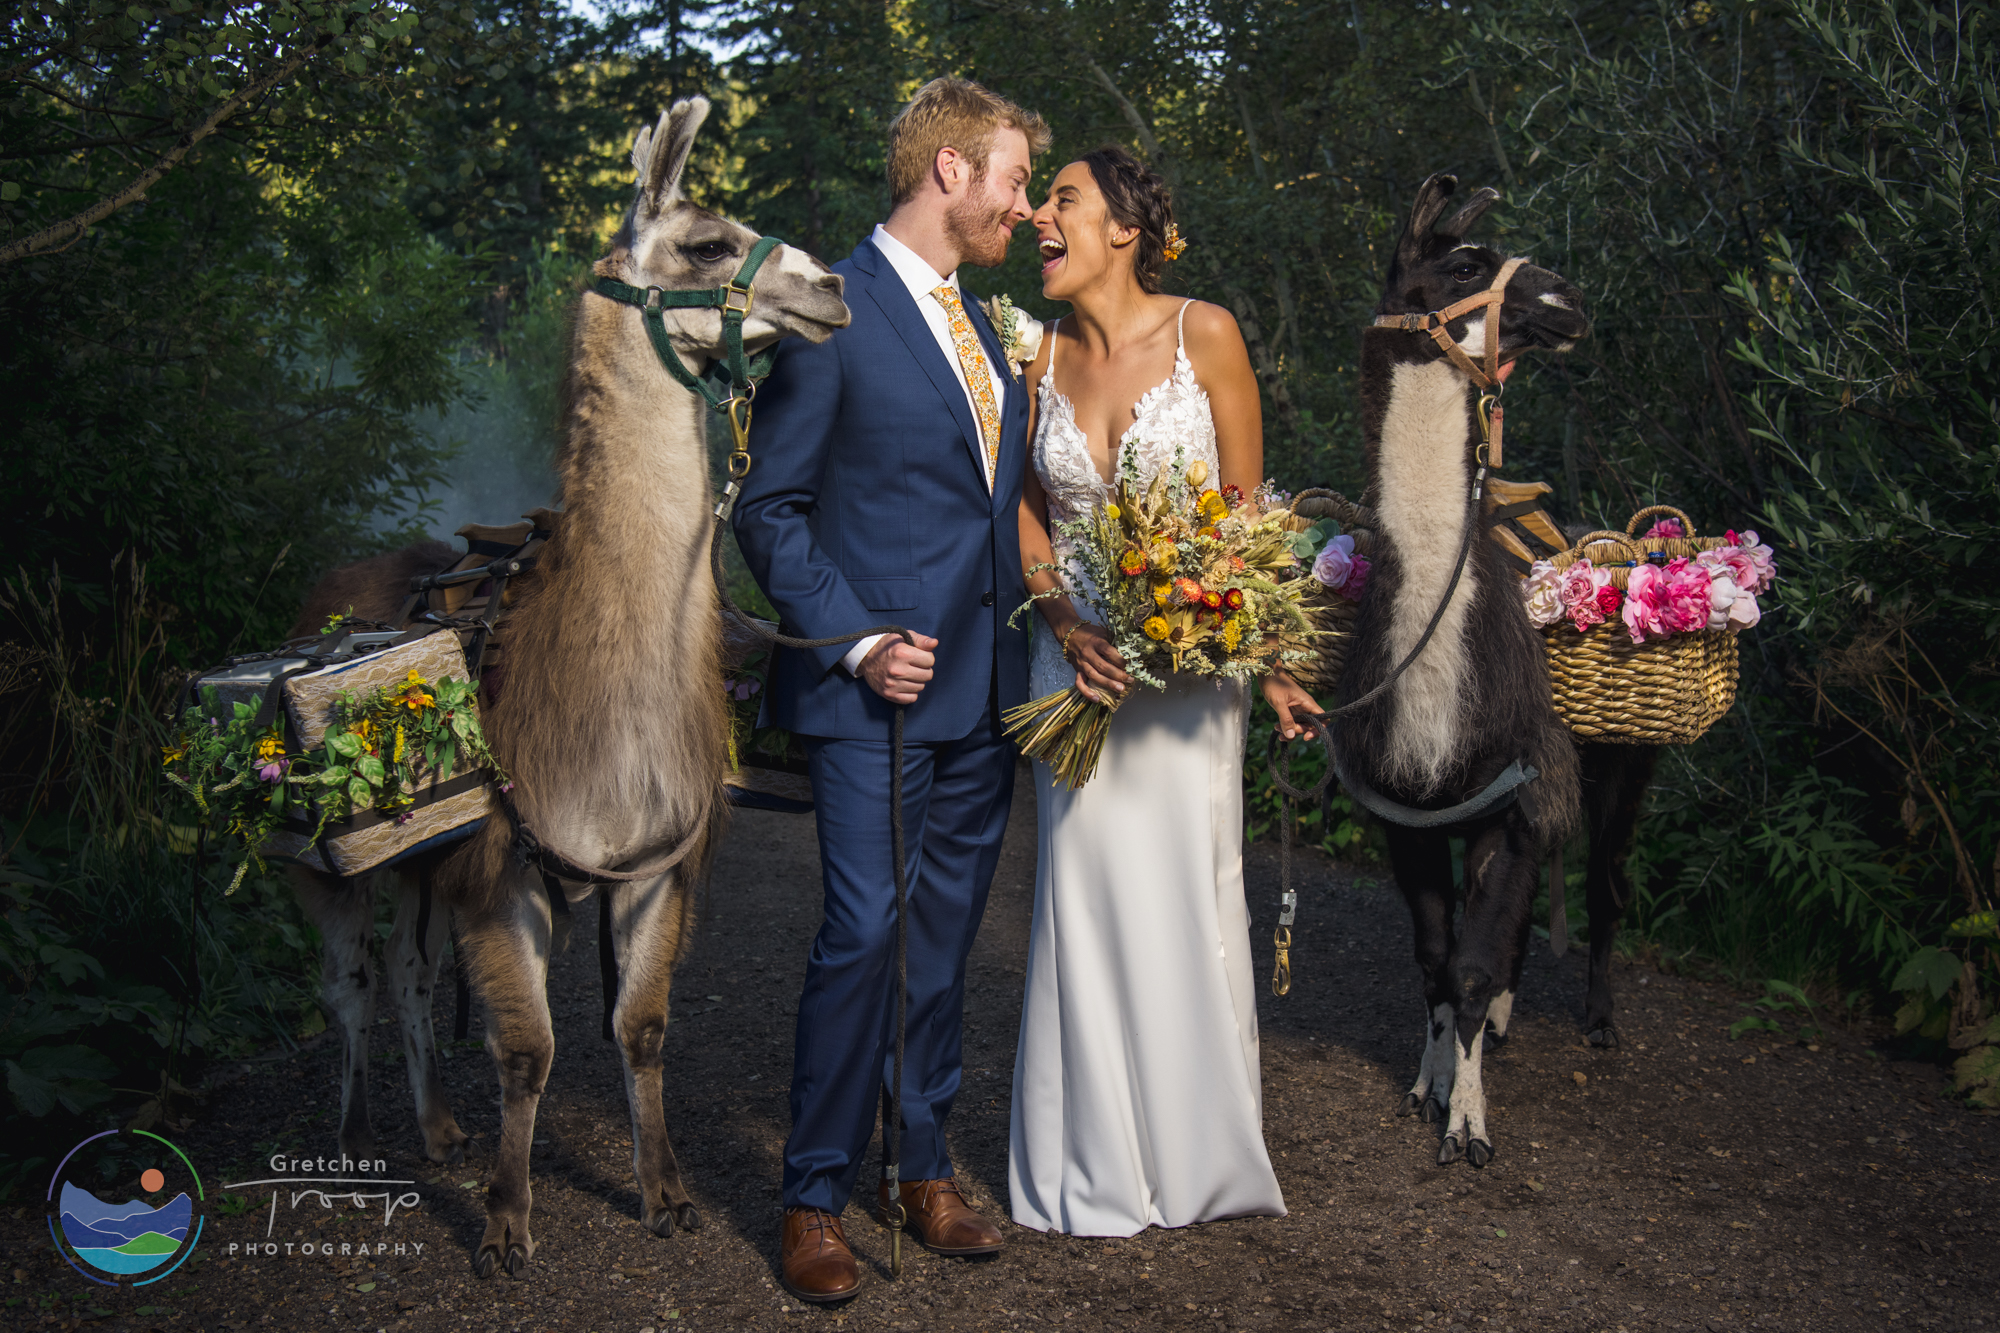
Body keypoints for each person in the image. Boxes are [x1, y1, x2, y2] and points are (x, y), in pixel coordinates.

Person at [731, 77, 1051, 1303]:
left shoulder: (986, 327)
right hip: (875, 695)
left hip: (982, 703)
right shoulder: (829, 310)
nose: (1022, 205)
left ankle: (917, 1165)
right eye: (1015, 179)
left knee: (941, 939)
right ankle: (811, 1193)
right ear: (950, 172)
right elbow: (769, 509)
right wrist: (858, 640)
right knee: (862, 932)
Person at [1007, 146, 1322, 1237]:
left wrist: (1270, 657)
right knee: (1081, 910)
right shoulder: (1032, 356)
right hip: (1075, 673)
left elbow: (1248, 519)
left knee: (1183, 902)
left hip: (1189, 682)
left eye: (1062, 200)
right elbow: (1025, 508)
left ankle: (1195, 1160)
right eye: (1040, 200)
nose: (1037, 215)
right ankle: (1086, 1163)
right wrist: (1062, 619)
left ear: (1124, 230)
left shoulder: (1207, 334)